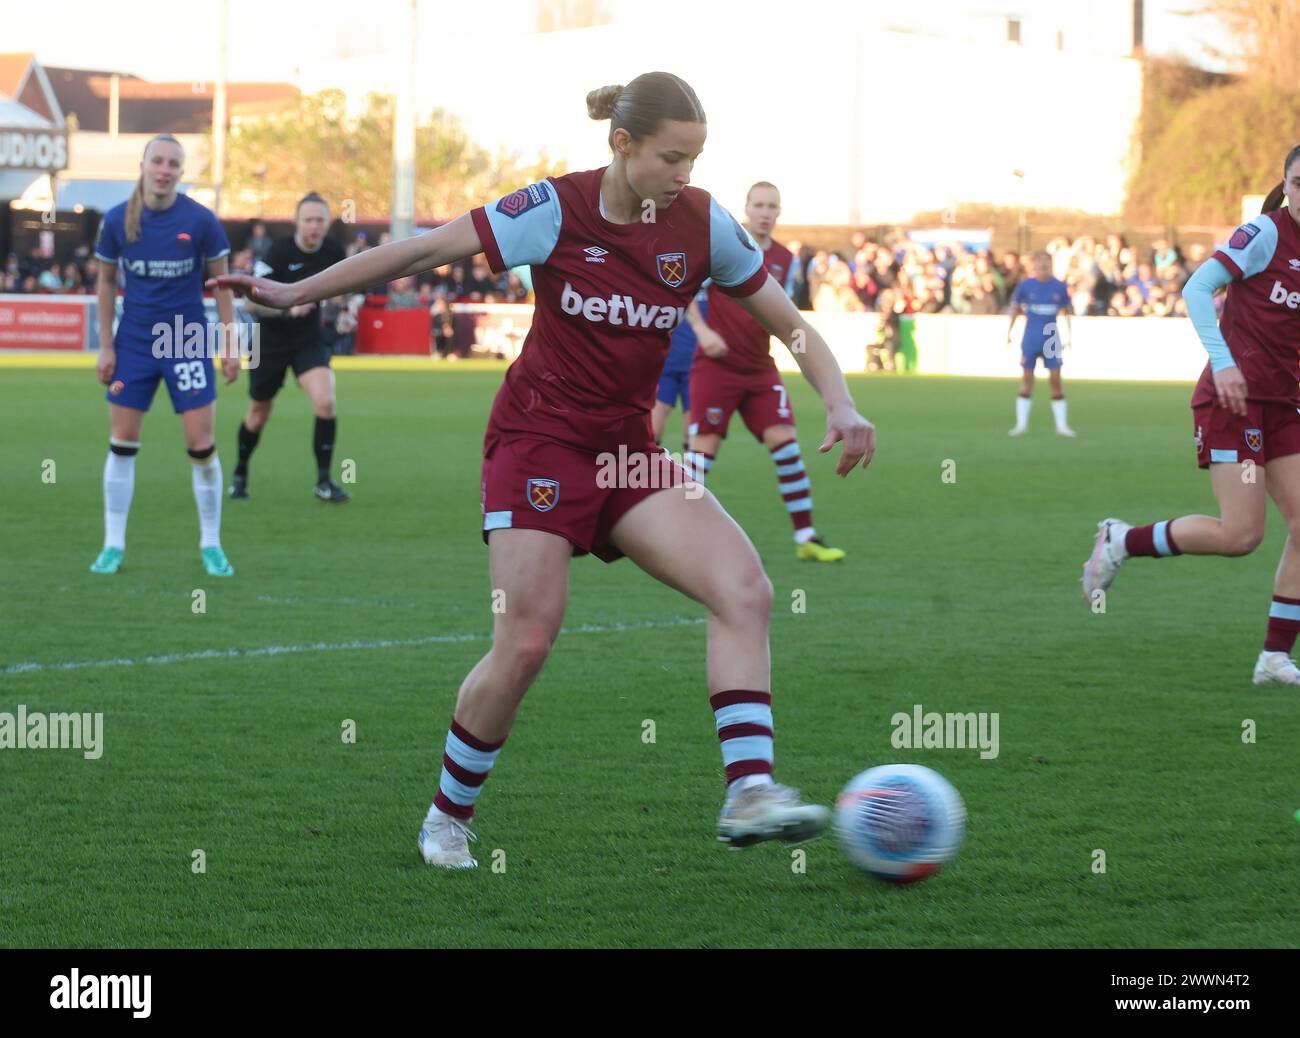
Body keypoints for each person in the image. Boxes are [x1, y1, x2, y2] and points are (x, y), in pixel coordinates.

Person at [212, 72, 875, 868]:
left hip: (629, 453)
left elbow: (794, 329)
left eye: (696, 158)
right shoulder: (554, 209)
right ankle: (447, 818)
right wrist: (295, 294)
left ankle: (749, 790)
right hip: (538, 444)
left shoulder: (705, 224)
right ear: (623, 146)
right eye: (672, 157)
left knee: (745, 589)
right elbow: (423, 249)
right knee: (526, 641)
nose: (686, 175)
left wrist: (839, 402)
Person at [1082, 146, 1300, 685]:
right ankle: (1121, 541)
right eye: (1299, 181)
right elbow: (1198, 288)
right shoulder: (1264, 234)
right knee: (1241, 535)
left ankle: (1274, 658)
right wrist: (1224, 365)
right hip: (1235, 404)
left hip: (1285, 407)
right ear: (1286, 183)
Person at [90, 133, 239, 577]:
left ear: (181, 171)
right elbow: (104, 283)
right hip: (134, 342)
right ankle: (112, 545)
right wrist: (106, 345)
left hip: (186, 341)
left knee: (201, 446)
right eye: (158, 160)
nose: (165, 169)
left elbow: (223, 287)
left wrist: (230, 345)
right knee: (122, 444)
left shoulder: (202, 221)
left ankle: (211, 543)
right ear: (143, 164)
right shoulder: (117, 221)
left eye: (173, 163)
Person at [685, 181, 847, 561]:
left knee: (786, 445)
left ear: (779, 212)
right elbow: (687, 292)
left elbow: (784, 315)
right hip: (716, 367)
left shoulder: (788, 260)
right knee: (701, 455)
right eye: (758, 204)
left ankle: (806, 537)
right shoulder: (725, 247)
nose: (765, 212)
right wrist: (704, 331)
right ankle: (682, 539)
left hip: (760, 368)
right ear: (746, 208)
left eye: (772, 206)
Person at [230, 192, 350, 503]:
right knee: (258, 413)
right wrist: (286, 309)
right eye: (308, 219)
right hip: (270, 342)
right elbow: (250, 304)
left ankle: (324, 482)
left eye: (320, 220)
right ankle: (240, 472)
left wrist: (347, 307)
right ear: (297, 222)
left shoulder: (333, 250)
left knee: (325, 402)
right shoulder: (277, 253)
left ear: (327, 223)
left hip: (308, 339)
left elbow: (348, 287)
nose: (314, 226)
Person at [1007, 250, 1075, 436]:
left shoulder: (1059, 287)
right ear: (1033, 266)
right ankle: (1021, 425)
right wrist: (1009, 332)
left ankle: (1061, 426)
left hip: (1051, 337)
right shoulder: (1025, 286)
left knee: (1055, 380)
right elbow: (1014, 308)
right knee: (1027, 379)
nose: (1043, 266)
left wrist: (1069, 336)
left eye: (1047, 263)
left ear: (1051, 265)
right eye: (1039, 263)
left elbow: (1066, 312)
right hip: (1031, 337)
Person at [652, 284, 704, 452]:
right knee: (652, 430)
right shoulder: (675, 272)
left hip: (699, 364)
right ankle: (645, 474)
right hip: (667, 363)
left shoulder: (719, 274)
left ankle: (691, 476)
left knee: (693, 436)